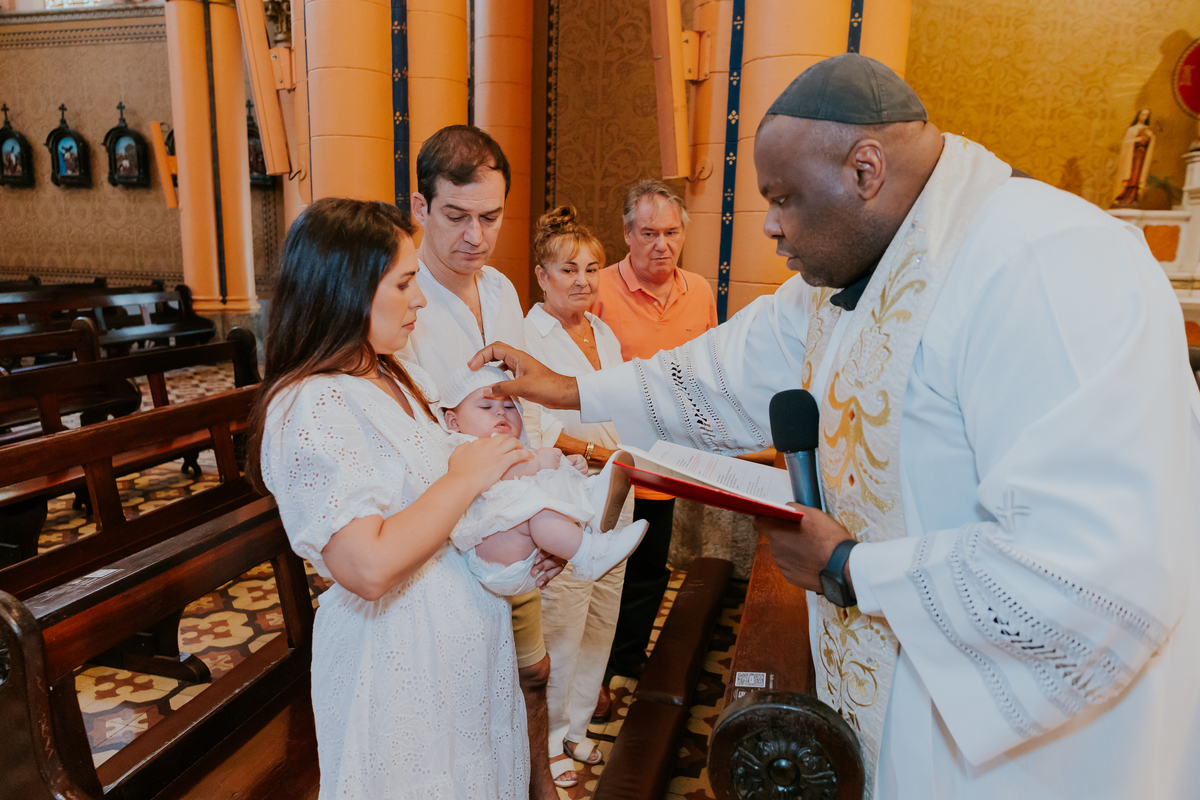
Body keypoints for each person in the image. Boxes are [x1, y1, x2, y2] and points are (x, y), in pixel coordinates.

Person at [472, 54, 1200, 800]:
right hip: (890, 690)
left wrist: (849, 567)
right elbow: (718, 373)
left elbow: (1097, 571)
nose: (775, 229)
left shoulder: (1048, 266)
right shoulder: (859, 267)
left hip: (1019, 752)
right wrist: (570, 388)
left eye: (784, 199)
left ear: (865, 169)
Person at [247, 197, 535, 798]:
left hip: (460, 647)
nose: (421, 299)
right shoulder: (311, 404)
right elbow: (367, 566)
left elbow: (441, 518)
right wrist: (465, 477)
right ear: (345, 288)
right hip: (394, 663)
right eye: (405, 283)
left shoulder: (395, 374)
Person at [397, 124, 588, 800]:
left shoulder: (503, 290)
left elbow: (526, 404)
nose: (475, 236)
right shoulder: (398, 299)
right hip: (445, 541)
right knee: (466, 700)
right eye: (456, 216)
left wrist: (545, 515)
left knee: (529, 675)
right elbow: (408, 439)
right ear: (420, 208)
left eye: (490, 217)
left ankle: (537, 785)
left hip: (514, 514)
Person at [522, 206, 634, 786]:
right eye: (569, 269)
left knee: (601, 617)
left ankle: (577, 729)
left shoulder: (605, 332)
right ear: (542, 275)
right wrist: (599, 456)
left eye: (592, 268)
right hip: (567, 495)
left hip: (618, 489)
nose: (583, 281)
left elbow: (618, 407)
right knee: (563, 620)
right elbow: (537, 428)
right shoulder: (526, 334)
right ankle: (546, 740)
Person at [591, 179, 718, 690]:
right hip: (608, 460)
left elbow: (708, 367)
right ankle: (592, 668)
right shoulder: (594, 288)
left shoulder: (700, 290)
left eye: (670, 232)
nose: (660, 244)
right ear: (626, 233)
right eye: (648, 232)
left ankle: (628, 658)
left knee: (649, 567)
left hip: (667, 459)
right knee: (600, 568)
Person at [438, 365, 647, 597]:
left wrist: (570, 470)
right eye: (486, 406)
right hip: (491, 558)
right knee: (538, 510)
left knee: (543, 497)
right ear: (453, 421)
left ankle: (590, 495)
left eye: (510, 406)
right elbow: (486, 475)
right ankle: (589, 554)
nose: (501, 412)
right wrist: (538, 462)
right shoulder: (462, 447)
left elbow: (533, 475)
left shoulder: (519, 448)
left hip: (524, 554)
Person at [1111, 108, 1155, 209]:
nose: (1145, 117)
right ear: (1138, 115)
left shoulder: (1148, 130)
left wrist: (1150, 137)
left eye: (1147, 115)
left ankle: (1134, 196)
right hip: (1132, 157)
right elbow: (1125, 143)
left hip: (1142, 156)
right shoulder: (1132, 129)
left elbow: (1151, 142)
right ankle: (1125, 195)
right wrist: (1136, 140)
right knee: (1131, 175)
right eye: (1143, 114)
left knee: (1137, 177)